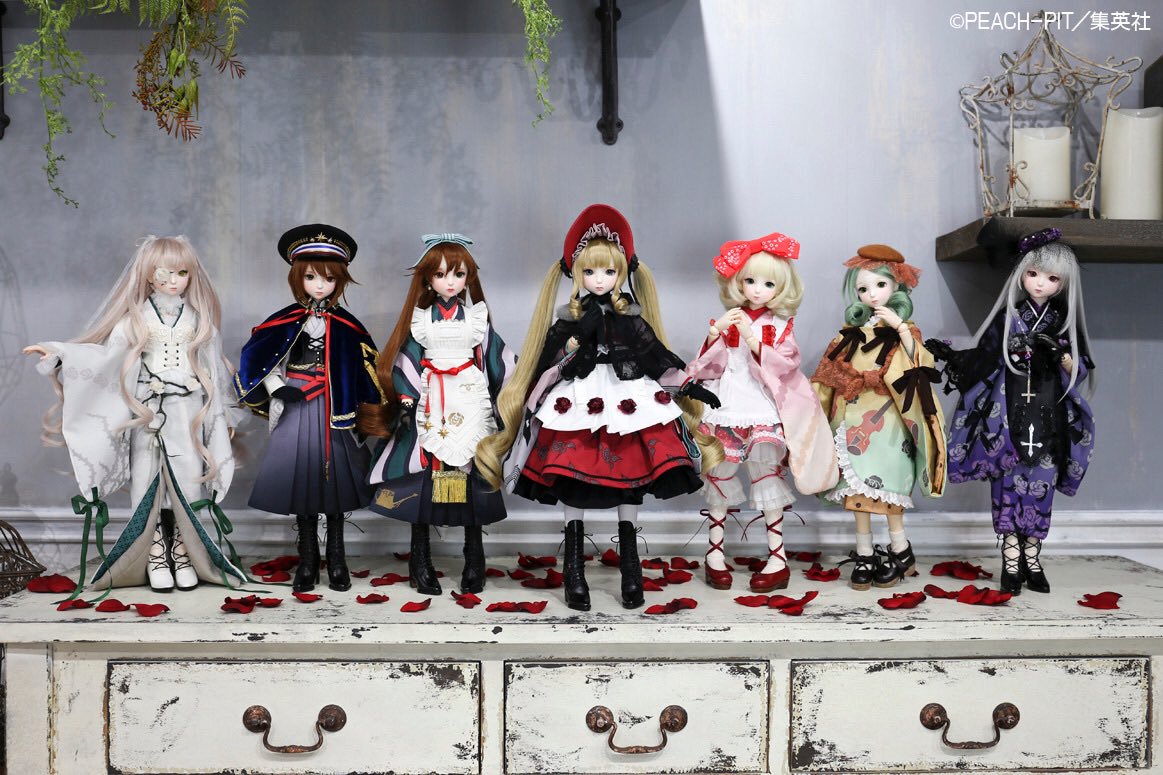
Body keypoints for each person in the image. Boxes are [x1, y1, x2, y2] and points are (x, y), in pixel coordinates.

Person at [475, 204, 722, 611]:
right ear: (576, 274)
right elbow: (545, 363)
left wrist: (689, 386)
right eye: (590, 272)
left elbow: (655, 357)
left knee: (631, 474)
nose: (600, 279)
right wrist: (573, 346)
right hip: (578, 400)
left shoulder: (631, 319)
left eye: (609, 271)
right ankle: (574, 567)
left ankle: (630, 566)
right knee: (575, 473)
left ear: (622, 273)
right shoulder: (568, 320)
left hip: (629, 398)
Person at [24, 236, 245, 592]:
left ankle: (183, 551)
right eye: (164, 273)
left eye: (182, 273)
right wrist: (60, 353)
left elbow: (214, 375)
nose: (174, 281)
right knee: (147, 483)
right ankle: (155, 551)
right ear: (148, 274)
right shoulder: (135, 321)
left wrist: (218, 420)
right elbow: (104, 359)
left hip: (187, 412)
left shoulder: (200, 322)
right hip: (146, 413)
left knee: (188, 483)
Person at [927, 228, 1094, 594]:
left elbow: (1080, 370)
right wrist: (953, 357)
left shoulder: (1063, 322)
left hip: (1048, 416)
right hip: (1007, 417)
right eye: (1033, 273)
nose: (1040, 283)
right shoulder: (1008, 318)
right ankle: (1011, 561)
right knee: (1006, 484)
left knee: (1041, 486)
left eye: (1051, 278)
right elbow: (983, 361)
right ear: (1021, 274)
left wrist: (1063, 357)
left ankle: (1033, 561)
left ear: (1063, 284)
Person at [358, 234, 514, 596]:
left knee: (474, 475)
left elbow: (500, 361)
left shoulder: (476, 320)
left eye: (458, 274)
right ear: (428, 279)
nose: (450, 282)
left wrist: (512, 388)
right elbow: (406, 361)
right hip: (429, 404)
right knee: (423, 482)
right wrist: (407, 400)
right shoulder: (421, 322)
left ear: (468, 277)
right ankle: (420, 559)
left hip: (469, 402)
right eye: (441, 274)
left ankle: (474, 555)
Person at [686, 232, 837, 591]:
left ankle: (777, 557)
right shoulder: (730, 319)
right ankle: (714, 552)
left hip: (761, 405)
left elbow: (787, 365)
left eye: (768, 284)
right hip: (726, 404)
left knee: (766, 474)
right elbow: (706, 367)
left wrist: (754, 342)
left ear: (781, 288)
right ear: (737, 282)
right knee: (719, 473)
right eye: (750, 281)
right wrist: (715, 335)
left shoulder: (781, 326)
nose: (757, 290)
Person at [236, 224, 382, 592]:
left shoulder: (348, 325)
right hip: (298, 403)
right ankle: (307, 559)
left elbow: (366, 368)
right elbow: (257, 359)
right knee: (301, 479)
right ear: (297, 277)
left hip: (336, 408)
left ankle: (337, 557)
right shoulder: (284, 319)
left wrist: (368, 408)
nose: (320, 285)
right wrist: (278, 388)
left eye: (329, 279)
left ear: (340, 280)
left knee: (336, 484)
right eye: (311, 277)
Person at [810, 244, 946, 590]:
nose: (872, 294)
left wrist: (901, 329)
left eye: (880, 285)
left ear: (897, 286)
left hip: (889, 423)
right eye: (863, 288)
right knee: (856, 490)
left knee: (888, 485)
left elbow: (922, 365)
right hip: (852, 420)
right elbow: (827, 375)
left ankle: (900, 548)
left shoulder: (904, 332)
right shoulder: (850, 334)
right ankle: (865, 552)